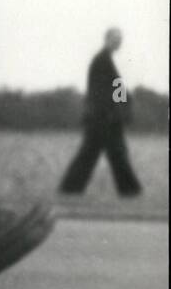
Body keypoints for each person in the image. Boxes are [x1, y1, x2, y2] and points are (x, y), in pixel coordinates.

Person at [59, 28, 142, 197]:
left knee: (93, 154)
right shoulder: (101, 61)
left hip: (102, 118)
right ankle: (130, 191)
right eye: (115, 39)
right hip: (104, 119)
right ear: (106, 39)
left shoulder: (106, 60)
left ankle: (69, 189)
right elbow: (103, 91)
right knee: (115, 154)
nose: (119, 42)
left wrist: (125, 102)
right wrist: (119, 109)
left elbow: (116, 87)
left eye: (120, 39)